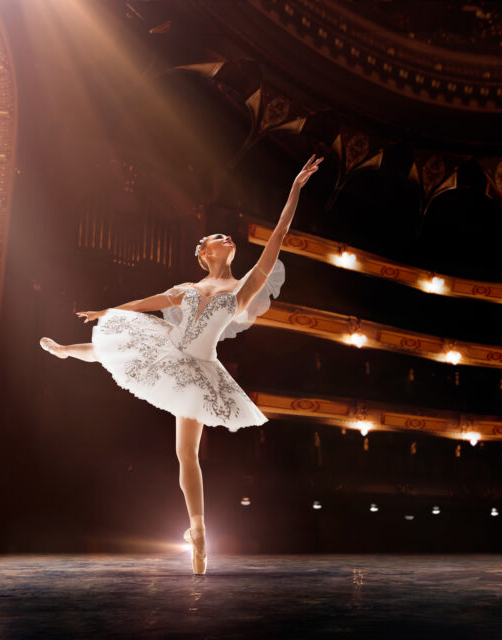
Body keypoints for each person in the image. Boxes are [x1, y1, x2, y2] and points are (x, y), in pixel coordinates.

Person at [39, 155, 323, 574]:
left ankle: (199, 531)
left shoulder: (244, 287)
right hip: (176, 354)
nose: (227, 237)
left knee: (185, 453)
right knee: (120, 351)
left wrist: (296, 187)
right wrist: (108, 312)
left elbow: (279, 233)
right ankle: (66, 351)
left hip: (197, 369)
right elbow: (145, 305)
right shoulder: (187, 286)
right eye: (218, 237)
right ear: (204, 252)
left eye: (227, 236)